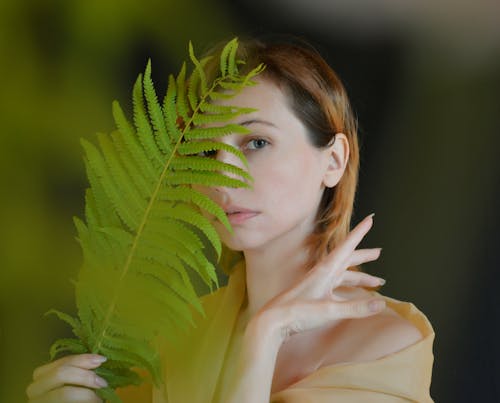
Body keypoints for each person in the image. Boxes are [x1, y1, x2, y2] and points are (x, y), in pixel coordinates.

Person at [26, 38, 434, 403]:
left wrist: (265, 333)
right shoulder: (173, 340)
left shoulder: (387, 349)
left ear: (334, 161)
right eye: (205, 152)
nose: (222, 175)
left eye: (257, 142)